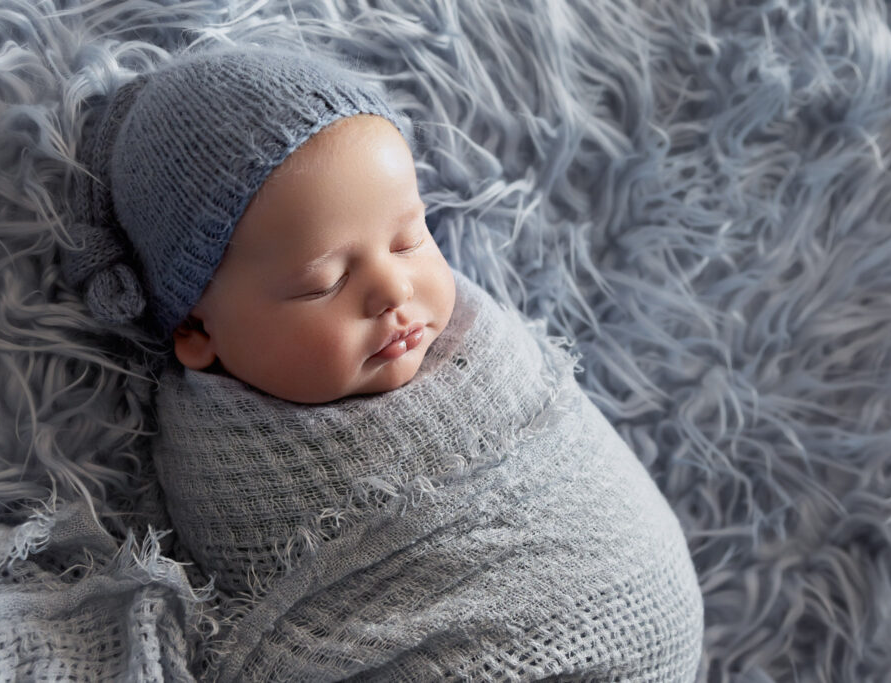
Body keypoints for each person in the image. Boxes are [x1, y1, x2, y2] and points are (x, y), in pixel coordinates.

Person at [62, 46, 704, 681]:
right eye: (325, 283)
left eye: (409, 238)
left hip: (638, 599)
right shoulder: (220, 465)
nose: (394, 290)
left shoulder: (485, 350)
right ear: (200, 331)